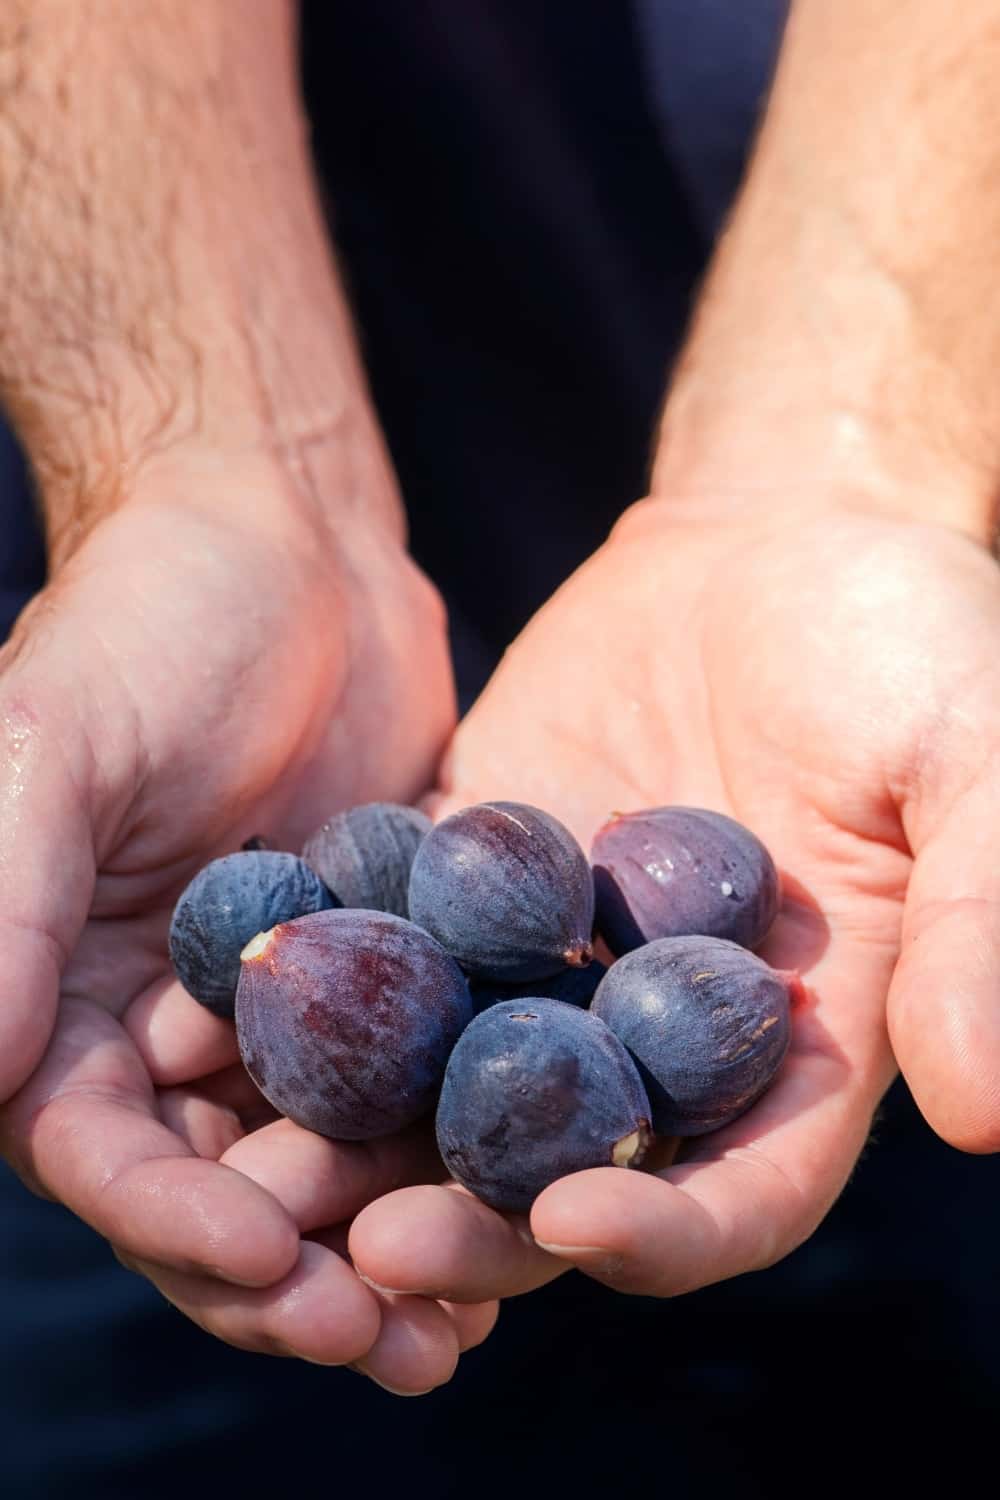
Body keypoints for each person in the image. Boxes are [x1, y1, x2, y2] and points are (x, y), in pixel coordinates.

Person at [1, 0, 1000, 1461]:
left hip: (865, 856)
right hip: (183, 822)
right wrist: (194, 464)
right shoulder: (367, 919)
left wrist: (860, 456)